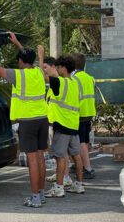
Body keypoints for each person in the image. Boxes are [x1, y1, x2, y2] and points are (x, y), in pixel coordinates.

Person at [0, 32, 48, 208]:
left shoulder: (17, 75)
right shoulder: (38, 72)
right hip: (42, 119)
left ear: (20, 62)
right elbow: (27, 57)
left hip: (28, 122)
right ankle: (41, 194)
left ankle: (35, 198)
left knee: (32, 161)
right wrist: (17, 44)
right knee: (40, 158)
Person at [38, 46, 85, 198]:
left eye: (58, 67)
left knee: (60, 157)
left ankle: (58, 187)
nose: (55, 69)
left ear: (63, 68)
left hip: (62, 126)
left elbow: (44, 74)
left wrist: (41, 56)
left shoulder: (59, 83)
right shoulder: (74, 83)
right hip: (73, 125)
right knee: (76, 156)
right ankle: (79, 185)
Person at [71, 53, 97, 179]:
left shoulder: (74, 79)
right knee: (85, 141)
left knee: (80, 142)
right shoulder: (90, 77)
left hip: (79, 113)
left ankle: (87, 168)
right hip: (89, 112)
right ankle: (80, 164)